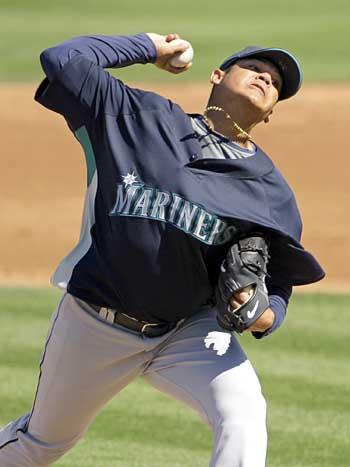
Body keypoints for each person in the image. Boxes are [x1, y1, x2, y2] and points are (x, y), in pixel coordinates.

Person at [0, 32, 324, 467]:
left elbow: (280, 279)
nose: (266, 80)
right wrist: (151, 47)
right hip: (95, 323)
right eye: (256, 69)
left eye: (275, 84)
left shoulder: (270, 191)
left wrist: (268, 315)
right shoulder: (140, 118)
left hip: (186, 330)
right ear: (218, 75)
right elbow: (62, 58)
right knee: (42, 444)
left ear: (270, 115)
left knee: (244, 416)